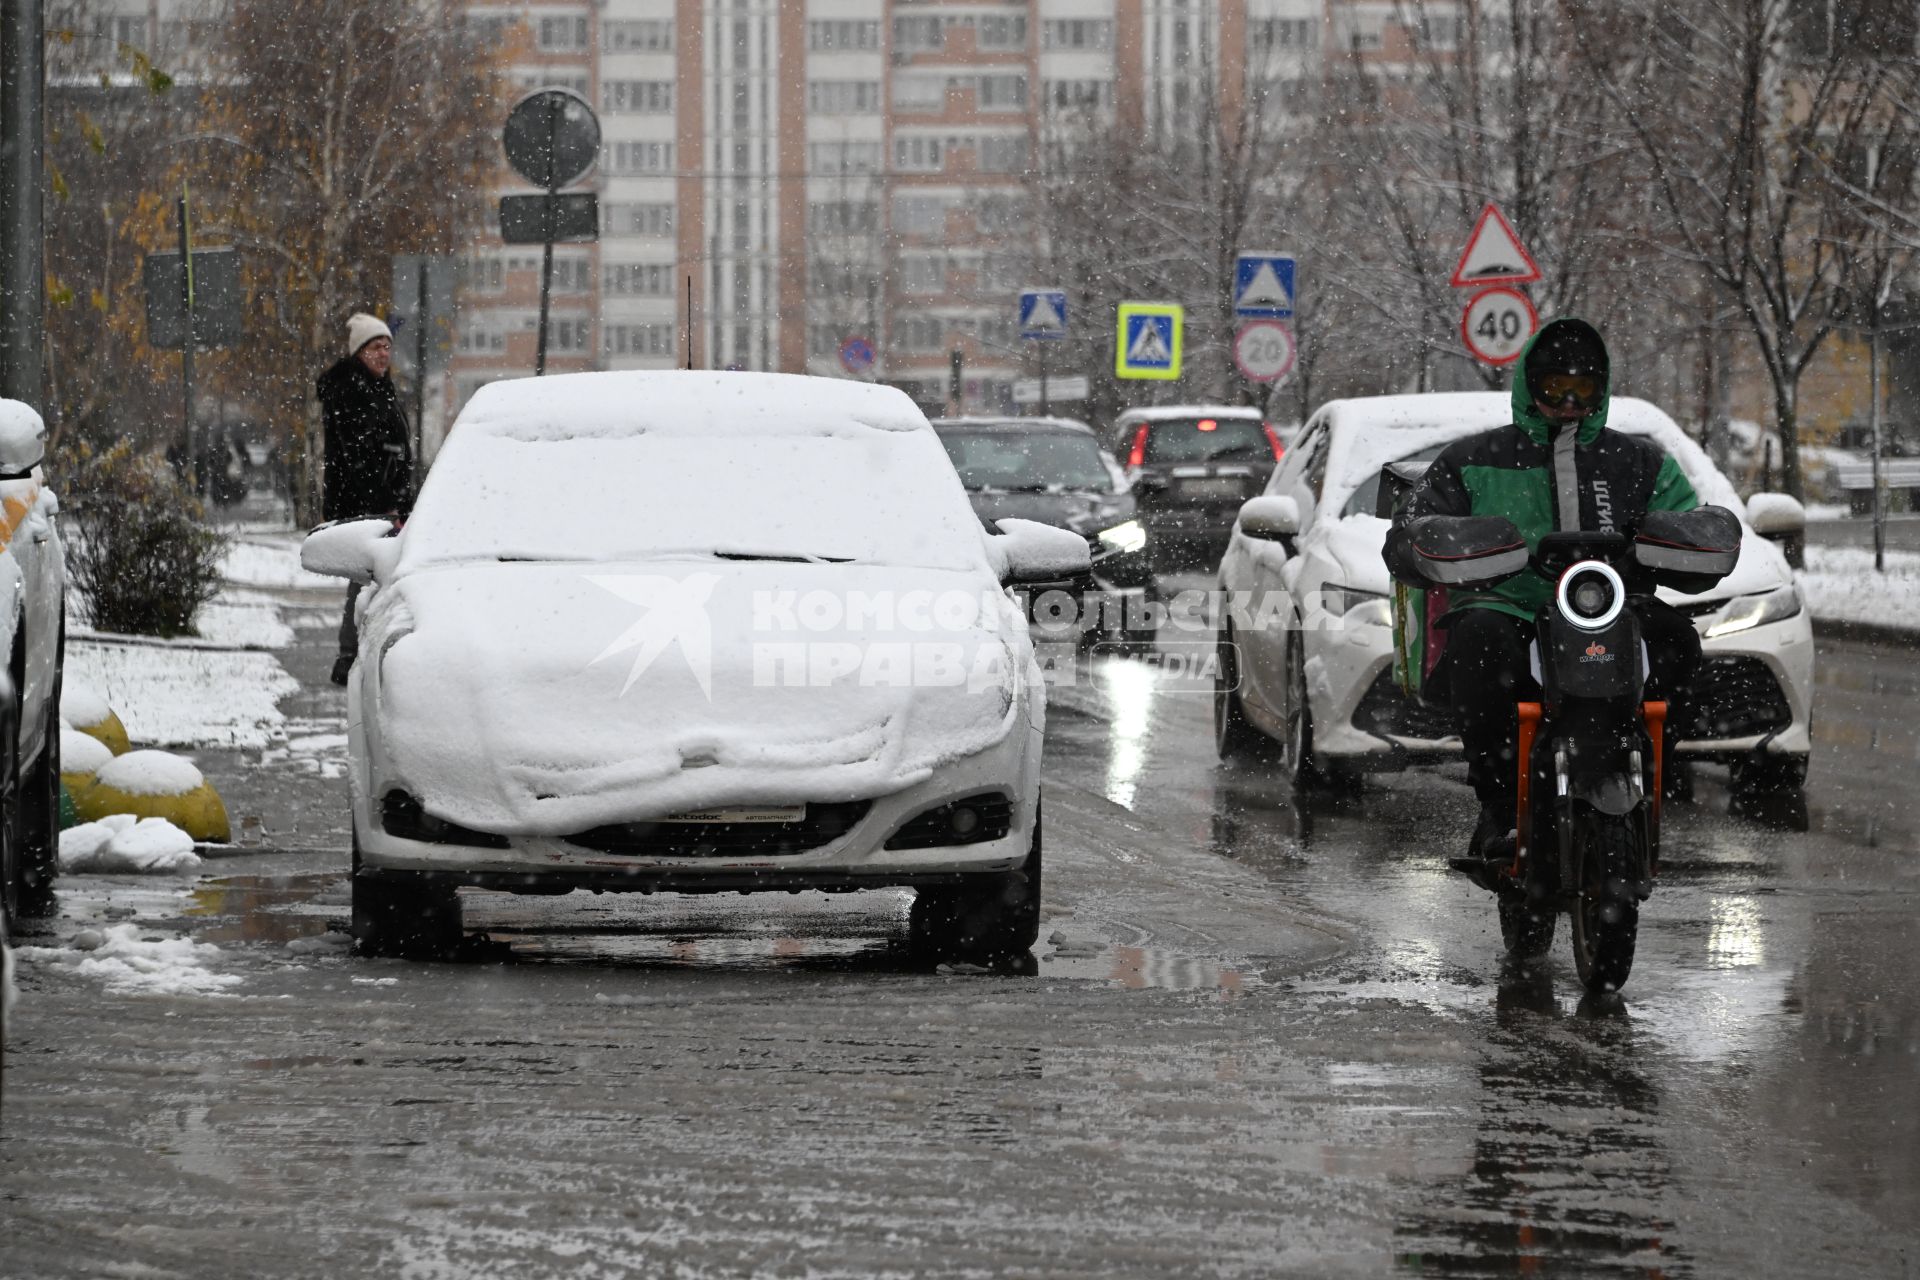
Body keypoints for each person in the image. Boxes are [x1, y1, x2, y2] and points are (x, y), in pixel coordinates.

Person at [1383, 318, 1704, 868]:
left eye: (1585, 387)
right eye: (1557, 387)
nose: (1571, 402)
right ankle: (1499, 806)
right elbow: (1410, 532)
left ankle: (1648, 776)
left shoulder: (1641, 462)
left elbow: (1685, 521)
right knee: (1479, 640)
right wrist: (1444, 545)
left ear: (1602, 389)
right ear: (1531, 386)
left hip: (1613, 610)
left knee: (1678, 641)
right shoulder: (1470, 459)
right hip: (1510, 605)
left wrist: (1679, 544)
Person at [316, 312, 414, 685]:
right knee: (368, 579)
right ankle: (350, 654)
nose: (384, 354)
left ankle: (357, 653)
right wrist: (386, 499)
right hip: (365, 504)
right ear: (360, 351)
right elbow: (358, 456)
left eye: (388, 346)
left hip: (382, 502)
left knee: (372, 579)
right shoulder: (351, 390)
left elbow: (388, 448)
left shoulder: (378, 388)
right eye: (376, 347)